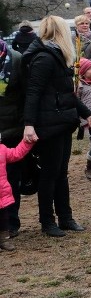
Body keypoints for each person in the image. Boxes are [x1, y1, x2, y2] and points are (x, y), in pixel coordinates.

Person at [22, 15, 91, 237]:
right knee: (49, 174)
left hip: (63, 122)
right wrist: (29, 124)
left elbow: (67, 94)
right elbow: (33, 93)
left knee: (60, 173)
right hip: (49, 124)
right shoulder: (44, 59)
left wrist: (87, 114)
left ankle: (65, 217)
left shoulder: (56, 56)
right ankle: (48, 221)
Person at [0, 39, 26, 239]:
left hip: (11, 129)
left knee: (10, 180)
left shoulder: (15, 59)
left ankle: (11, 223)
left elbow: (25, 94)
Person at [0, 132, 34, 251]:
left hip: (1, 193)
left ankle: (4, 240)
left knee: (4, 219)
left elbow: (16, 153)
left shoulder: (2, 150)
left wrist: (27, 142)